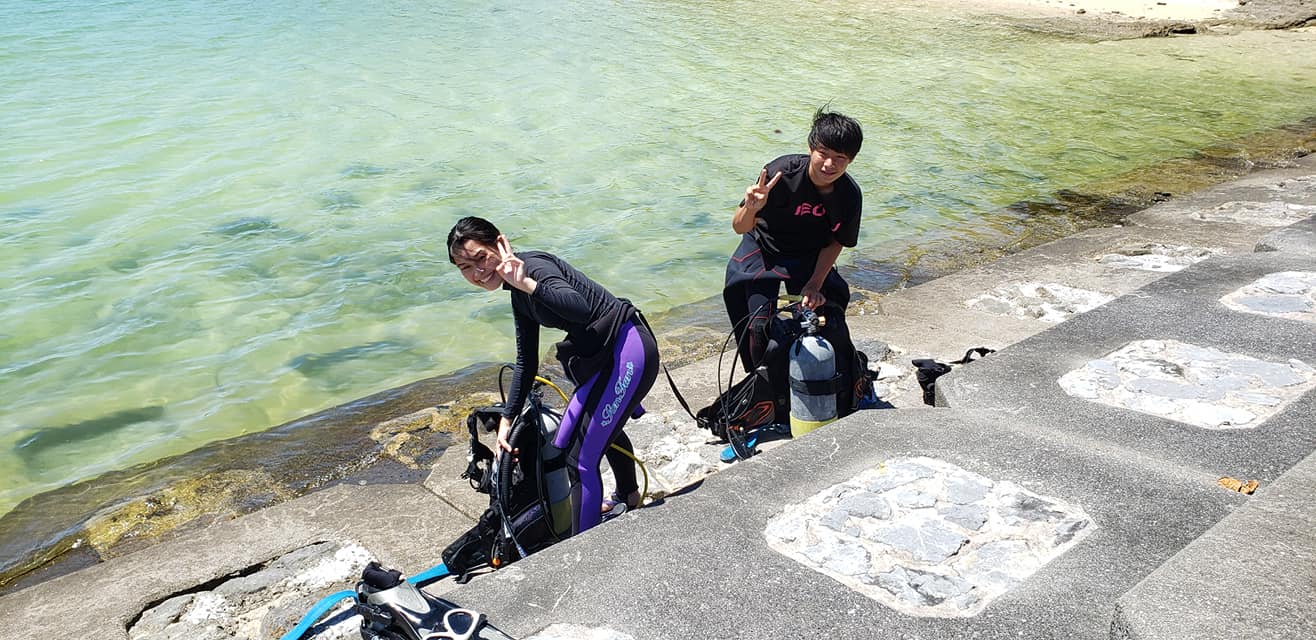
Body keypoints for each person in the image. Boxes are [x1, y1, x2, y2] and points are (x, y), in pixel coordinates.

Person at [447, 216, 658, 534]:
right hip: (606, 358)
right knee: (572, 435)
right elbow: (526, 360)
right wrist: (507, 419)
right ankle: (627, 495)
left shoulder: (533, 269)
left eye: (481, 258)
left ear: (500, 244)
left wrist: (527, 284)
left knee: (580, 460)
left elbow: (579, 309)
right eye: (465, 267)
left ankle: (586, 546)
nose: (477, 272)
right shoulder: (518, 293)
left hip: (629, 350)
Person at [723, 107, 864, 416]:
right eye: (823, 153)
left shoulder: (849, 195)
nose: (829, 164)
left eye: (840, 158)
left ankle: (823, 384)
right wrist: (751, 206)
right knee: (757, 327)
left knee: (826, 317)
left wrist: (814, 284)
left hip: (809, 254)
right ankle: (767, 393)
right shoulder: (779, 174)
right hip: (764, 249)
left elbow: (837, 240)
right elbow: (739, 227)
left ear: (851, 160)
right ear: (811, 148)